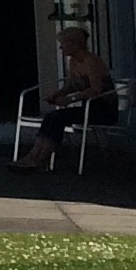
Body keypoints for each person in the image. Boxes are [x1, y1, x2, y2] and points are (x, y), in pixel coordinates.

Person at [17, 24, 112, 170]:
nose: (61, 48)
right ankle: (32, 156)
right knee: (50, 117)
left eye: (63, 44)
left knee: (58, 118)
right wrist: (57, 94)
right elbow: (73, 85)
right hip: (86, 108)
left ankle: (40, 159)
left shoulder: (92, 61)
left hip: (102, 110)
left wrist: (70, 100)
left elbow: (96, 90)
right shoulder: (74, 62)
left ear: (75, 44)